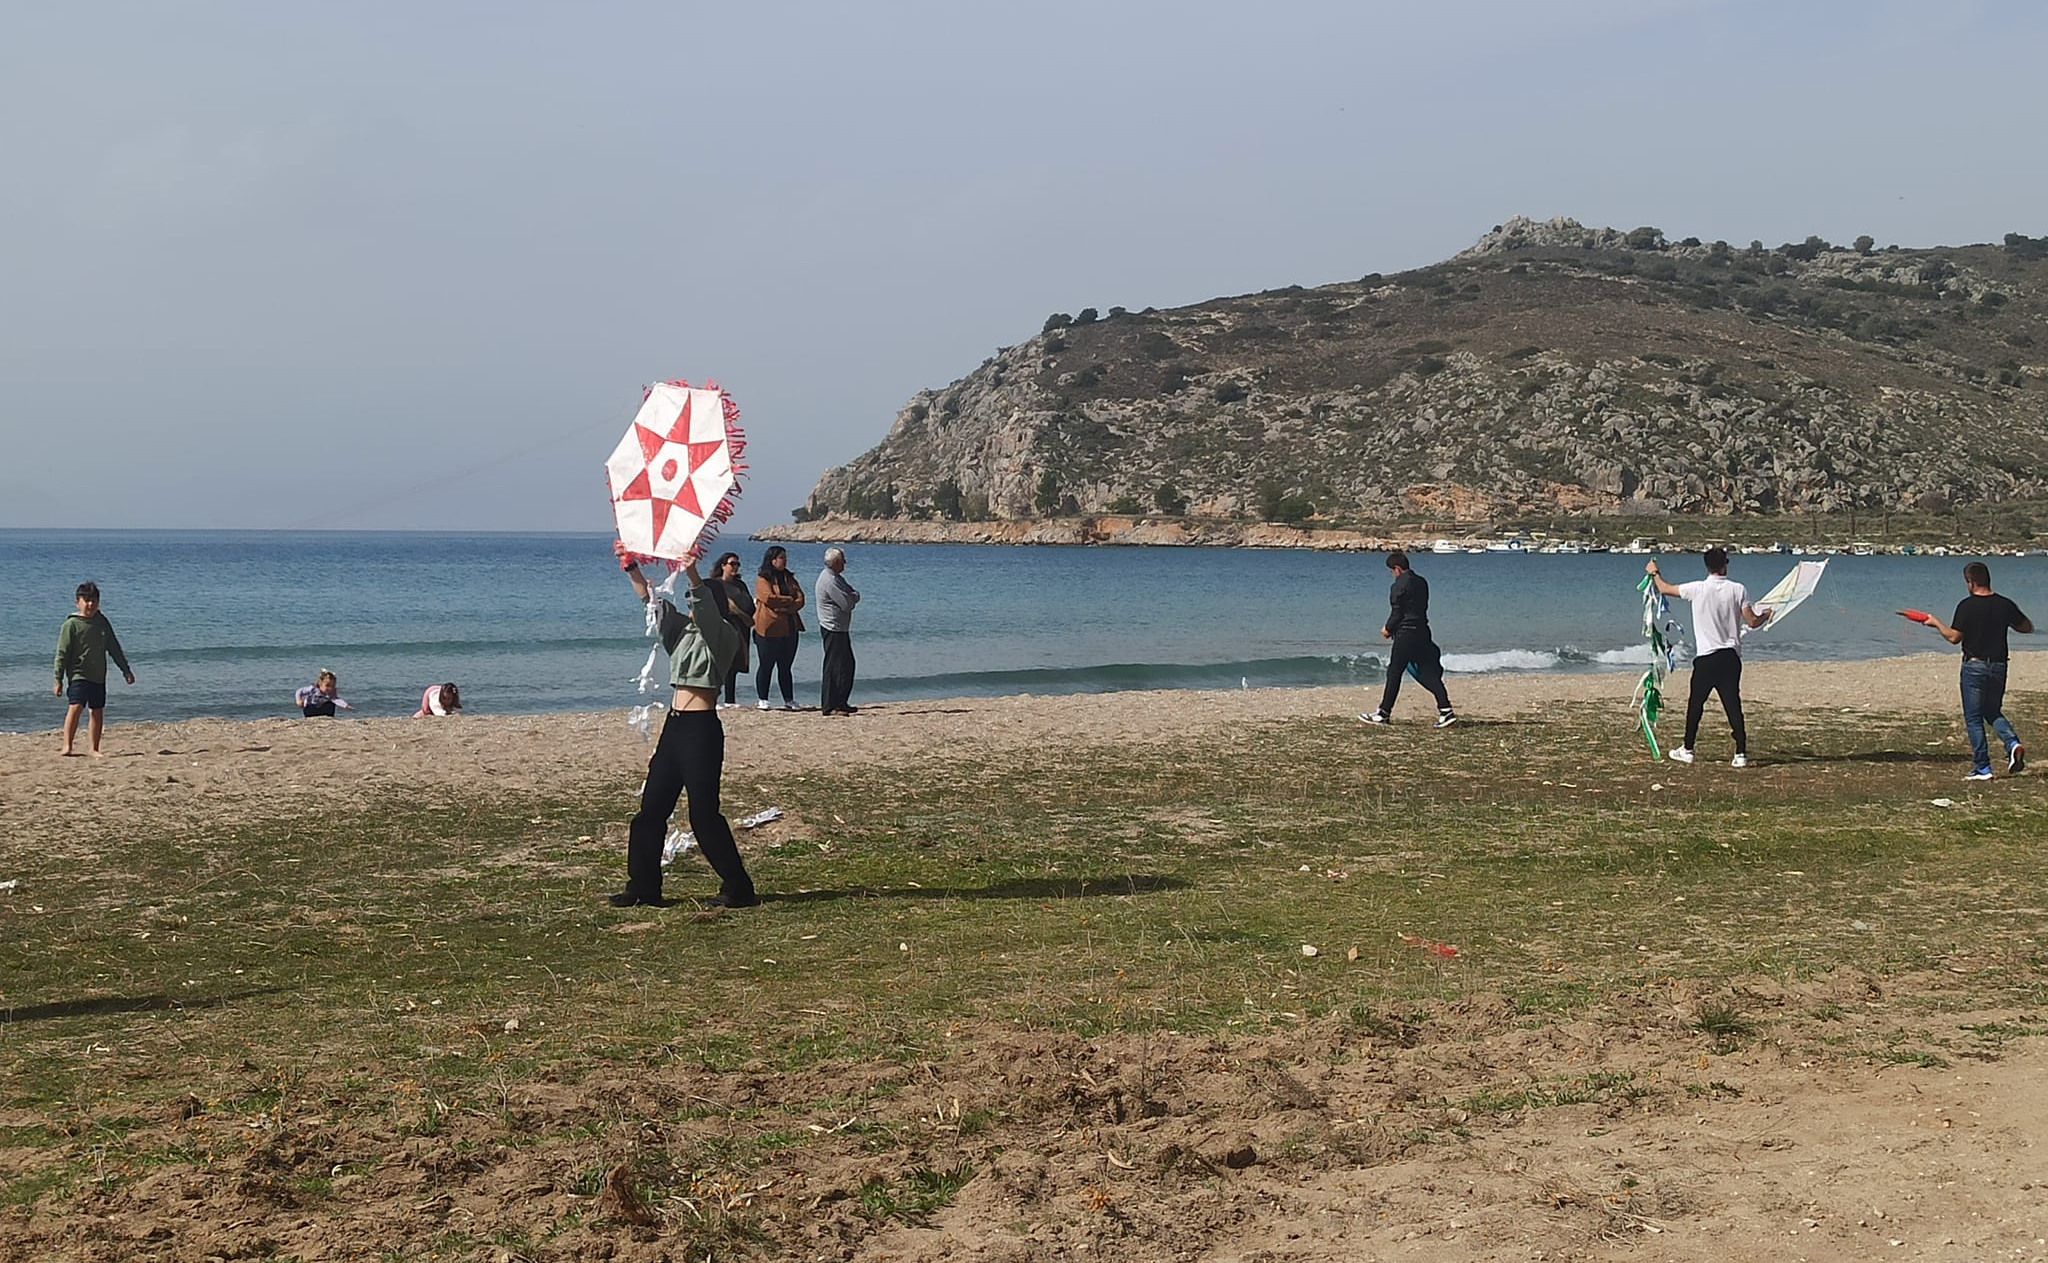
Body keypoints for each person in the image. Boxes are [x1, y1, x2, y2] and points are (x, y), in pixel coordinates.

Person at [613, 540, 756, 908]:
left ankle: (738, 887)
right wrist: (630, 566)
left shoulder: (725, 636)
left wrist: (692, 571)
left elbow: (705, 610)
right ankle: (643, 886)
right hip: (674, 728)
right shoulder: (681, 631)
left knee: (703, 815)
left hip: (701, 730)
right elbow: (650, 601)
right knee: (651, 810)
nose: (692, 606)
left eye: (698, 601)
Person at [1645, 548, 1770, 767]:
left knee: (1696, 705)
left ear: (1707, 567)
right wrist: (1766, 615)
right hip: (1730, 658)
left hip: (1707, 659)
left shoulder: (1697, 589)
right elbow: (1752, 622)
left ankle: (1688, 749)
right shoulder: (1738, 589)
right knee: (1733, 704)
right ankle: (1740, 753)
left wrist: (1654, 572)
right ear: (1725, 565)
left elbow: (1664, 589)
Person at [1920, 561, 2031, 781]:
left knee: (1973, 718)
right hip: (1999, 665)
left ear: (1970, 583)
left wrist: (1935, 623)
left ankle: (1983, 767)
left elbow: (1953, 638)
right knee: (1992, 710)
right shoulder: (2004, 604)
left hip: (1975, 666)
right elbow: (2026, 627)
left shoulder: (1967, 606)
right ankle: (2012, 743)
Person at [1359, 551, 1456, 728]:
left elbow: (1398, 612)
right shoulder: (1422, 582)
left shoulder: (1398, 586)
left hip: (1406, 634)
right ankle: (1446, 710)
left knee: (1394, 672)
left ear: (1397, 568)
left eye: (1391, 571)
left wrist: (1387, 628)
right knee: (1427, 671)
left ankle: (1383, 713)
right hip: (1423, 631)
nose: (1391, 574)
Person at [52, 581, 135, 757]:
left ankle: (94, 748)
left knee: (96, 711)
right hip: (78, 674)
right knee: (75, 706)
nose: (90, 604)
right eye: (86, 600)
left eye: (94, 600)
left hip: (98, 676)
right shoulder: (71, 624)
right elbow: (62, 653)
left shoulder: (102, 622)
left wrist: (125, 670)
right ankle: (67, 746)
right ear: (78, 602)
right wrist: (58, 679)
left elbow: (114, 647)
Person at [752, 546, 805, 711]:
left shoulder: (789, 578)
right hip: (769, 628)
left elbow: (801, 598)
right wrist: (789, 600)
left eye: (785, 557)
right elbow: (768, 598)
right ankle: (763, 698)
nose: (785, 560)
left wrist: (787, 606)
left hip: (790, 626)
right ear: (772, 560)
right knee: (766, 664)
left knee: (785, 665)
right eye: (781, 557)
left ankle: (789, 699)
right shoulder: (763, 579)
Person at [816, 546, 862, 715]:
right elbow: (847, 604)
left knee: (846, 665)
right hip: (833, 627)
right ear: (835, 562)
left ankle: (841, 701)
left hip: (840, 628)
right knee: (834, 666)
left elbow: (854, 593)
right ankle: (830, 705)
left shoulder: (837, 578)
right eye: (843, 560)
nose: (845, 563)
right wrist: (852, 597)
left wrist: (853, 595)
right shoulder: (829, 581)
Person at [711, 552, 755, 709]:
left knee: (734, 666)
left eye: (737, 564)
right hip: (723, 628)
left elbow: (749, 605)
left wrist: (738, 611)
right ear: (723, 566)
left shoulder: (740, 585)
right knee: (720, 665)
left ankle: (730, 699)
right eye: (732, 564)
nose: (735, 567)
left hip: (741, 628)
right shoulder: (716, 585)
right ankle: (714, 698)